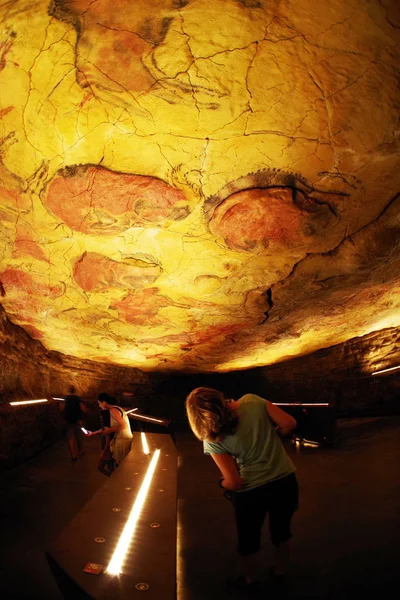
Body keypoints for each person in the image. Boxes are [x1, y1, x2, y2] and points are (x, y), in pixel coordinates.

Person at [185, 387, 298, 595]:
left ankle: (251, 580)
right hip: (285, 481)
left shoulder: (211, 437)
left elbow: (234, 482)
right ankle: (280, 572)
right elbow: (289, 423)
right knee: (282, 532)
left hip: (252, 493)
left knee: (249, 540)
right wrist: (272, 435)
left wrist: (222, 484)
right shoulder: (253, 401)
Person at [86, 393, 133, 468]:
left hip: (122, 440)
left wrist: (111, 430)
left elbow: (124, 425)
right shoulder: (116, 408)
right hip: (122, 439)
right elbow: (106, 429)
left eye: (99, 403)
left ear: (104, 402)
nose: (99, 406)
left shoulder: (113, 410)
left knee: (121, 466)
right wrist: (93, 433)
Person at [63, 386, 86, 462]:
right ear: (75, 391)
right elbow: (83, 408)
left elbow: (62, 408)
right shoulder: (78, 398)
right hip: (77, 419)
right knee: (79, 436)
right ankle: (81, 451)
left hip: (68, 420)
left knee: (71, 437)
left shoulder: (65, 398)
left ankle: (73, 455)